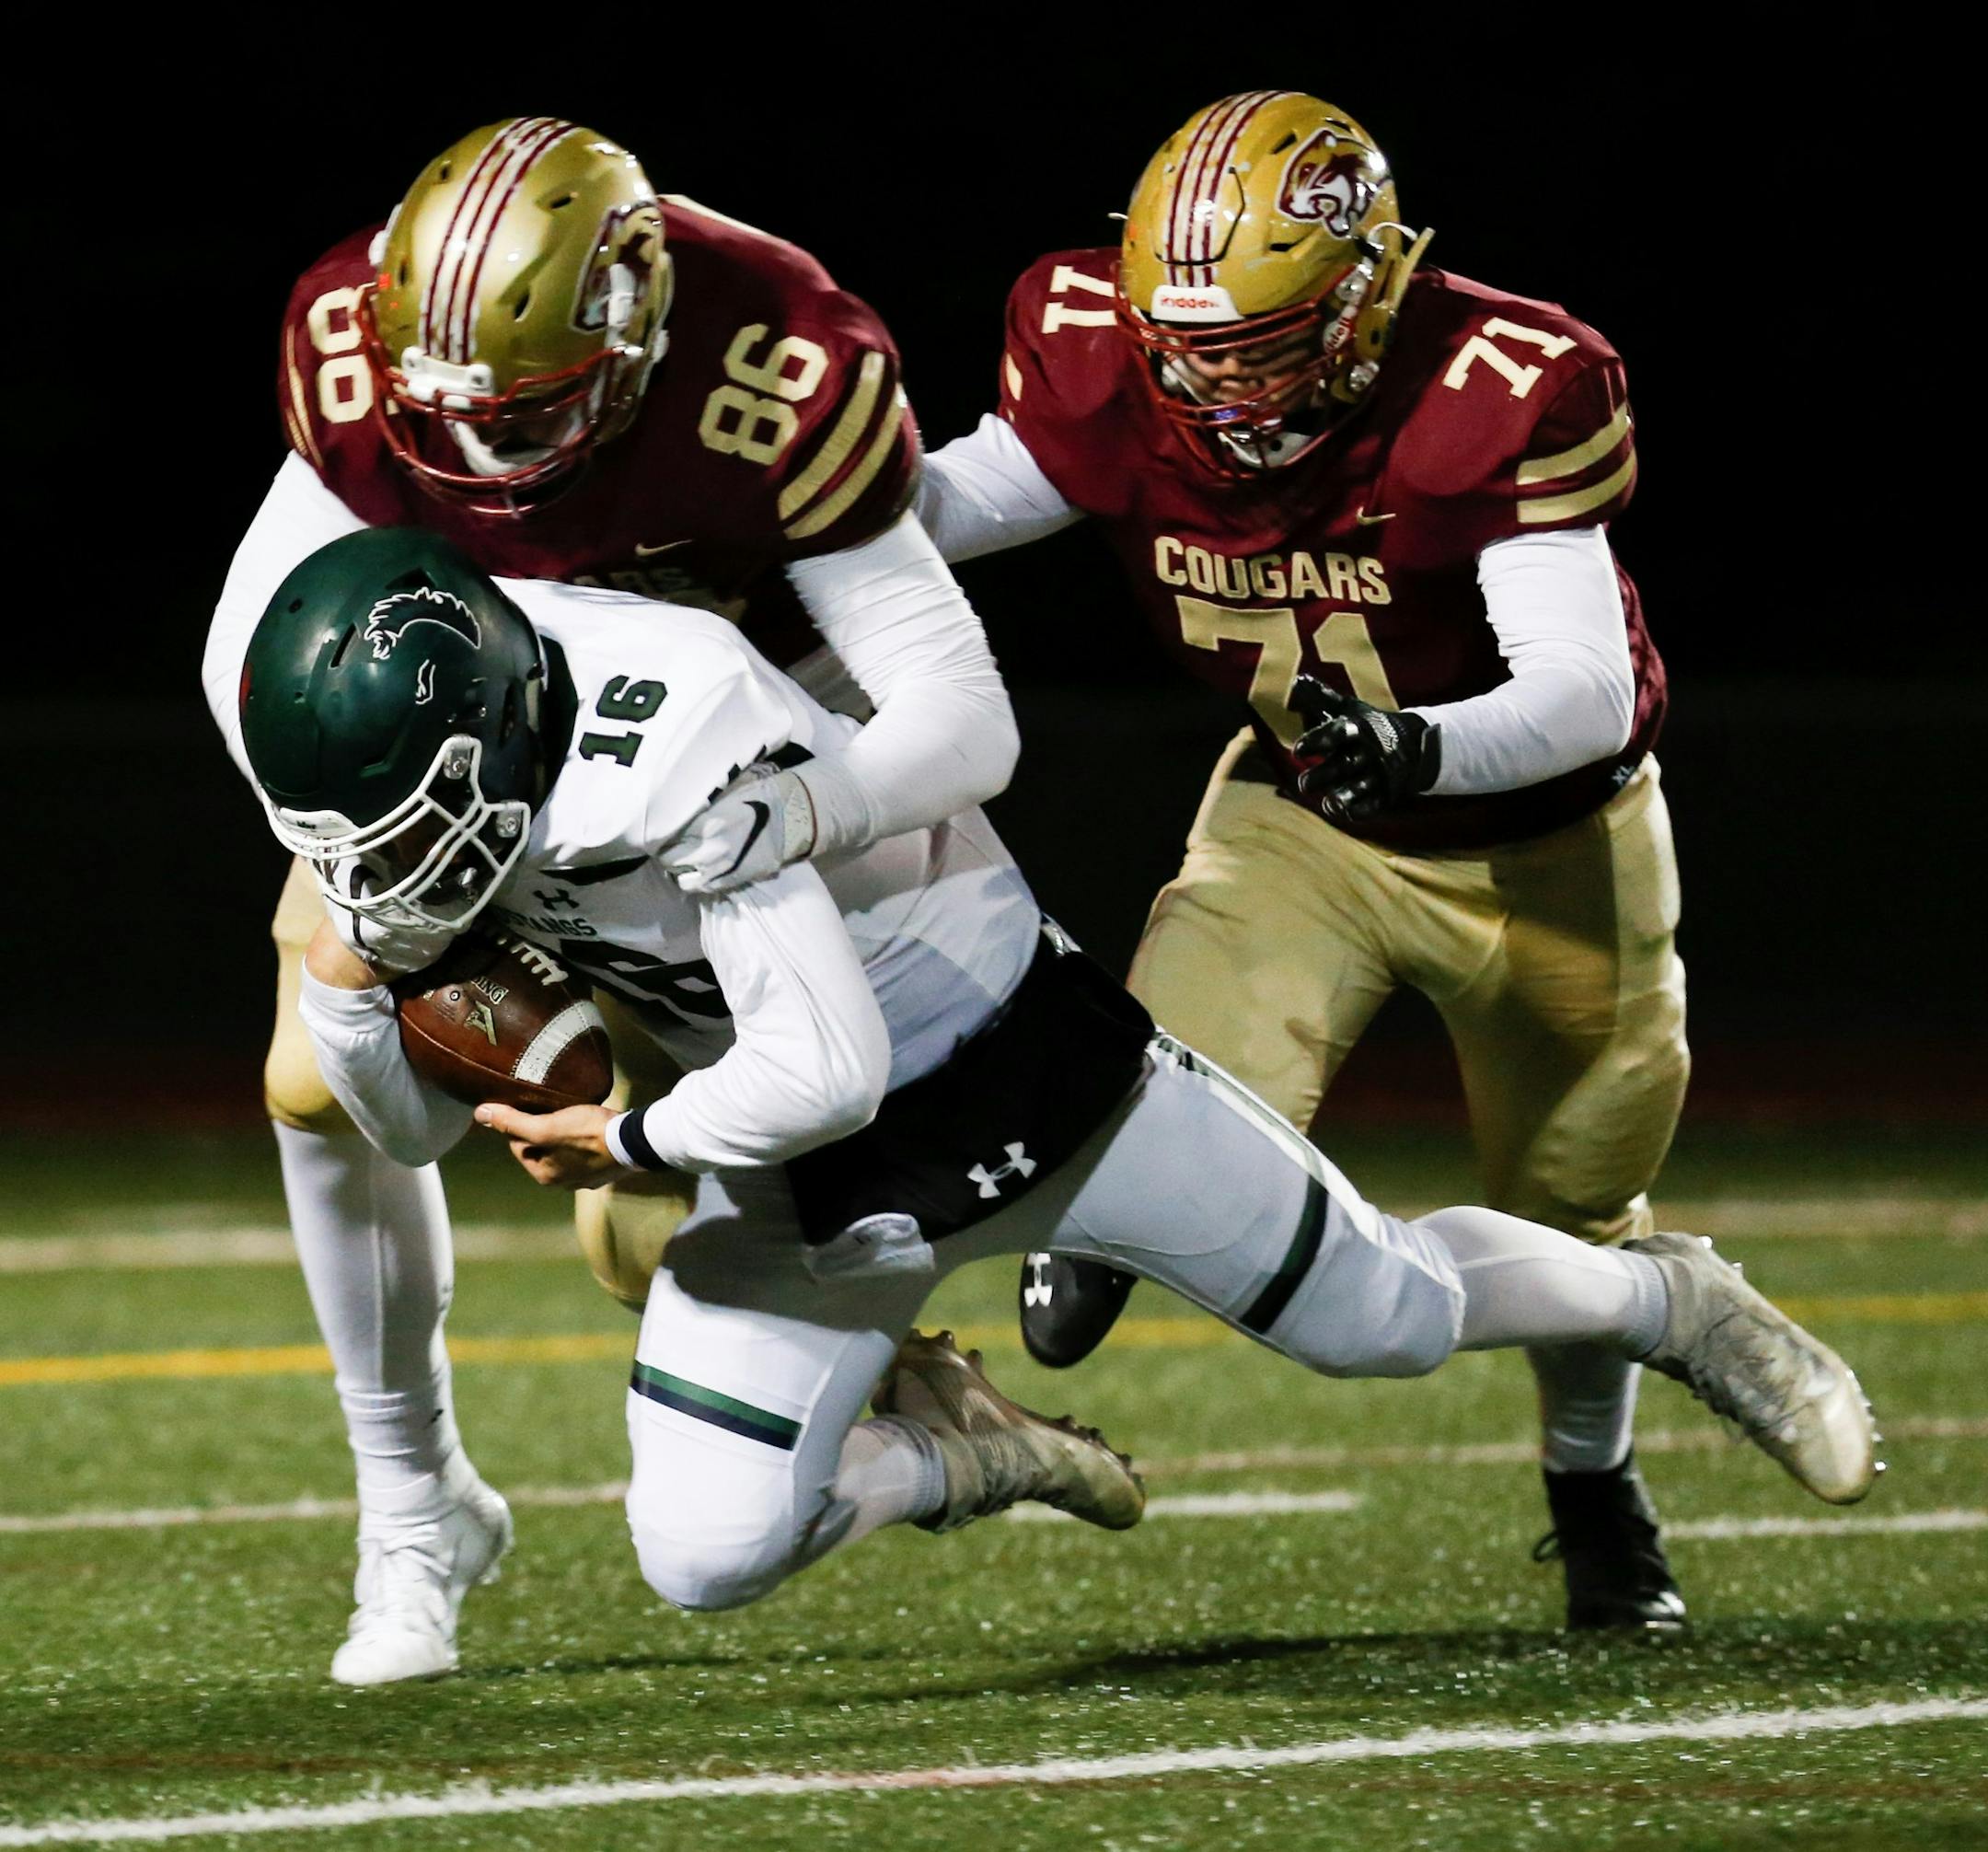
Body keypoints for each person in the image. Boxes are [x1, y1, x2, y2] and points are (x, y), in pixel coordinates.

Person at [234, 527, 1875, 1639]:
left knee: (1390, 1319)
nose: (379, 869)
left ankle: (1664, 1300)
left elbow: (827, 1063)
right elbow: (407, 1128)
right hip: (803, 1171)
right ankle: (972, 1450)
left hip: (1003, 1056)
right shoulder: (414, 753)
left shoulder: (674, 733)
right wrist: (356, 990)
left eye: (393, 834)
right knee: (703, 1556)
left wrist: (636, 1131)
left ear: (503, 726)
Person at [202, 118, 1023, 1683]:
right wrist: (369, 863)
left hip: (729, 781)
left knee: (657, 1221)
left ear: (639, 329)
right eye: (453, 414)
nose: (484, 457)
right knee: (315, 1075)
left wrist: (785, 815)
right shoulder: (358, 352)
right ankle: (411, 1508)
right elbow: (250, 653)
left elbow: (957, 716)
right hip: (485, 761)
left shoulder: (777, 372)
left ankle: (938, 1401)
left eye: (528, 412)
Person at [915, 91, 1694, 1630]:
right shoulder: (1102, 356)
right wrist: (783, 533)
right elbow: (962, 499)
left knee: (1572, 1210)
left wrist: (1421, 746)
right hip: (1306, 814)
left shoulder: (1500, 382)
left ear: (1365, 297)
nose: (1211, 380)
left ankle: (1594, 1488)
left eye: (1259, 342)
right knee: (1159, 1087)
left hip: (1557, 847)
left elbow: (1584, 687)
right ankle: (1103, 1224)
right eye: (1181, 342)